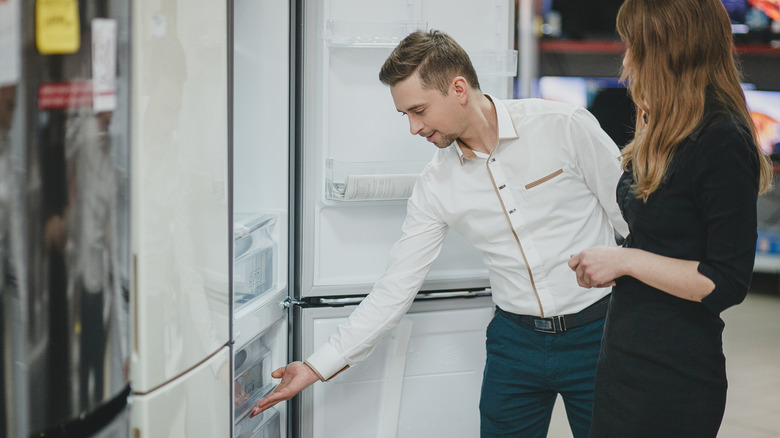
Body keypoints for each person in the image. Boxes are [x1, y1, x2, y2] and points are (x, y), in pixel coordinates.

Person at [251, 29, 629, 437]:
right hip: (514, 345)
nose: (414, 127)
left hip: (599, 332)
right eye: (406, 116)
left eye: (419, 110)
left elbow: (634, 224)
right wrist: (315, 366)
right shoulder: (435, 184)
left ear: (459, 88)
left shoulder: (564, 127)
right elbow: (394, 288)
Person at [567, 0, 774, 436]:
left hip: (674, 373)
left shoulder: (721, 138)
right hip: (625, 355)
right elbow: (662, 233)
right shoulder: (662, 119)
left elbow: (725, 280)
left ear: (668, 50)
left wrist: (623, 261)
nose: (626, 58)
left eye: (635, 46)